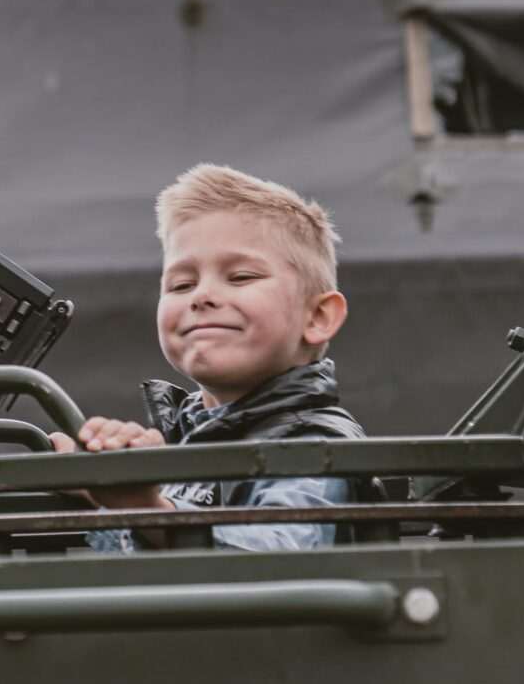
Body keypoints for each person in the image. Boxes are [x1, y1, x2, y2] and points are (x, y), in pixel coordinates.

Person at [51, 164, 370, 552]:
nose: (201, 296)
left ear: (317, 317)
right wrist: (101, 489)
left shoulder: (312, 442)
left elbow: (281, 557)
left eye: (241, 277)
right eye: (181, 284)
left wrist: (146, 508)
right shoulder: (185, 442)